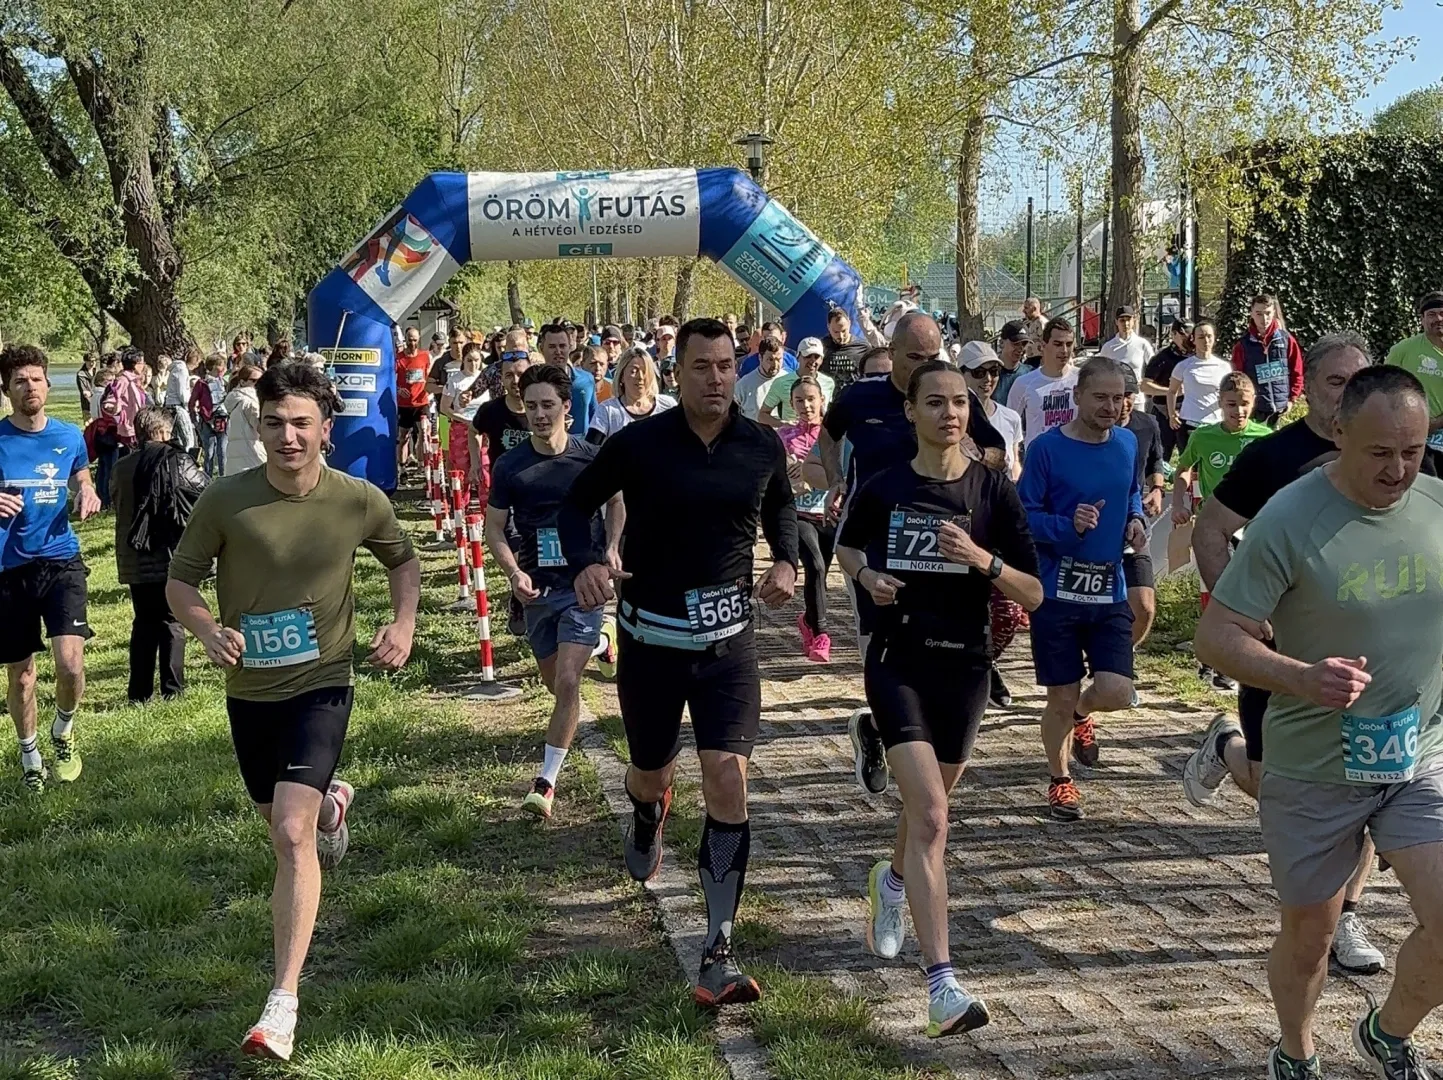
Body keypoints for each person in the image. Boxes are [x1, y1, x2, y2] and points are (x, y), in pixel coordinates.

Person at [1194, 365, 1443, 1080]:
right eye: (1380, 452)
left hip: (1417, 754)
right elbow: (1216, 637)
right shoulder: (1289, 517)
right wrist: (1301, 677)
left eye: (1412, 451)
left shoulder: (1436, 502)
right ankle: (1296, 1050)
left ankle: (1387, 1032)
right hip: (1312, 765)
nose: (1398, 470)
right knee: (1311, 937)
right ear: (1338, 432)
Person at [166, 362, 420, 1061]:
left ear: (325, 429)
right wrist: (206, 629)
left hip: (323, 681)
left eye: (302, 423)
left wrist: (403, 623)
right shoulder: (226, 499)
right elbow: (180, 582)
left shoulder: (357, 499)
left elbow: (402, 560)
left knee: (287, 831)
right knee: (276, 816)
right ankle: (332, 803)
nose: (288, 436)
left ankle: (282, 1002)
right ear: (260, 426)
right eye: (275, 423)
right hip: (250, 691)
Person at [557, 316, 798, 1008]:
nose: (716, 379)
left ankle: (718, 948)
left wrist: (786, 561)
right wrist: (588, 562)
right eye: (701, 367)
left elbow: (781, 508)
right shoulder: (638, 444)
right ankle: (647, 810)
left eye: (725, 366)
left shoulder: (760, 444)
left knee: (726, 779)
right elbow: (575, 506)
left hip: (728, 645)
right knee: (650, 772)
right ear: (678, 372)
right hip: (652, 644)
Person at [836, 360, 1042, 1038]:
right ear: (911, 411)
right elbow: (848, 548)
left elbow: (1034, 592)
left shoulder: (992, 490)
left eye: (959, 403)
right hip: (897, 661)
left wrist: (982, 560)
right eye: (935, 402)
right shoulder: (887, 485)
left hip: (966, 668)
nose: (949, 413)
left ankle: (892, 882)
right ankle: (942, 988)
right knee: (930, 814)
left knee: (928, 810)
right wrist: (868, 578)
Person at [1181, 332, 1389, 978]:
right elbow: (1210, 530)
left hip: (1369, 659)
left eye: (1358, 383)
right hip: (1282, 656)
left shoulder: (1394, 461)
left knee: (1372, 782)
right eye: (1334, 383)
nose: (1347, 396)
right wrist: (1239, 613)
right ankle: (1227, 749)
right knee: (1276, 784)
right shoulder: (1273, 457)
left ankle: (1346, 914)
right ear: (1308, 390)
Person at [819, 313, 1006, 795]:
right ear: (892, 353)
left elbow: (996, 450)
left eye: (933, 355)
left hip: (939, 543)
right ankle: (891, 731)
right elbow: (828, 432)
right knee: (880, 649)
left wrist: (973, 455)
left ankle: (882, 728)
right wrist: (835, 475)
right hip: (872, 543)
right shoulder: (861, 396)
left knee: (929, 652)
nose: (925, 365)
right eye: (914, 357)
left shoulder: (953, 396)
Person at [485, 364, 621, 820]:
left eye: (548, 405)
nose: (540, 415)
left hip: (584, 584)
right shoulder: (511, 466)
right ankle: (604, 642)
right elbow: (495, 528)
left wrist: (611, 549)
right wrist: (512, 573)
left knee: (567, 682)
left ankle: (545, 783)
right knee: (554, 685)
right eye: (532, 407)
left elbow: (616, 501)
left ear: (567, 408)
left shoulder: (590, 457)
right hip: (538, 588)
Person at [1017, 357, 1146, 821]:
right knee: (1060, 695)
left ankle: (1081, 714)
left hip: (1108, 587)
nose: (1111, 406)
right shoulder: (1046, 449)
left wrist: (1136, 518)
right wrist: (1066, 525)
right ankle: (1061, 780)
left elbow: (1130, 491)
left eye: (1118, 398)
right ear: (1077, 396)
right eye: (1100, 397)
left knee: (1116, 690)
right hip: (1057, 592)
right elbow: (1023, 516)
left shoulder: (1128, 442)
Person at [0, 344, 101, 793]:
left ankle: (63, 728)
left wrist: (87, 491)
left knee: (71, 665)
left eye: (36, 379)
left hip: (61, 559)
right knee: (22, 675)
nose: (30, 387)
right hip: (8, 567)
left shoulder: (68, 435)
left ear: (46, 382)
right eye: (20, 381)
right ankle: (30, 756)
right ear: (7, 389)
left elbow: (80, 475)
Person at [1169, 371, 1270, 689]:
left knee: (1249, 594)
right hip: (1213, 530)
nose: (1238, 411)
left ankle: (1239, 659)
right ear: (1220, 403)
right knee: (1217, 593)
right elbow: (1183, 470)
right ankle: (1213, 659)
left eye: (1244, 404)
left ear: (1253, 403)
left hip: (1253, 528)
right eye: (1231, 404)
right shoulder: (1204, 437)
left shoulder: (1265, 437)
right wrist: (1179, 503)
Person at [112, 405, 207, 702]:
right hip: (168, 552)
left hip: (133, 555)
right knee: (171, 620)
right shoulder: (176, 460)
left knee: (143, 622)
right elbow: (205, 490)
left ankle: (139, 693)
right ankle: (172, 689)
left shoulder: (121, 466)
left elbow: (116, 500)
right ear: (165, 431)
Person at [780, 376, 833, 662]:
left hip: (830, 513)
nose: (806, 405)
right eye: (799, 400)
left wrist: (814, 474)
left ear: (822, 400)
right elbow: (772, 478)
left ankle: (808, 621)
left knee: (820, 577)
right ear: (791, 403)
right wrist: (787, 474)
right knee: (815, 566)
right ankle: (822, 635)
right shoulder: (783, 436)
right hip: (798, 514)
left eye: (811, 399)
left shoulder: (834, 435)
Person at [1119, 368, 1166, 650]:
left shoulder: (1147, 424)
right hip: (1095, 527)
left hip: (1134, 522)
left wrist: (1157, 489)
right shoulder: (1090, 428)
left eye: (1129, 394)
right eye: (1118, 395)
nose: (1123, 402)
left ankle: (1122, 656)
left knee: (1145, 607)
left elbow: (1155, 460)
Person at [1385, 289, 1443, 473]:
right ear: (1422, 320)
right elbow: (1383, 388)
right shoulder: (1403, 350)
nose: (1438, 319)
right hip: (1415, 441)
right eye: (1431, 314)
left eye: (1442, 313)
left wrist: (1438, 422)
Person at [1230, 293, 1303, 427]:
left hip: (1281, 411)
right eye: (1259, 314)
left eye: (1268, 313)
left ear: (1274, 312)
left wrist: (1292, 399)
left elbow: (1297, 371)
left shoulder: (1287, 340)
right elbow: (1238, 379)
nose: (1264, 319)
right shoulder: (1242, 345)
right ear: (1251, 313)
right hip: (1255, 411)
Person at [1006, 317, 1078, 448]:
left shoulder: (1082, 379)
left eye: (1069, 344)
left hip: (1072, 454)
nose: (1064, 350)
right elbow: (1009, 425)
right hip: (1039, 457)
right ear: (1043, 345)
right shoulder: (1024, 383)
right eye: (1057, 344)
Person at [958, 343, 1022, 480]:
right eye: (979, 372)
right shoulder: (953, 420)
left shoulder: (1012, 417)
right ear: (961, 374)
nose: (988, 379)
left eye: (994, 371)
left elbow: (1014, 461)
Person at [1167, 319, 1232, 452]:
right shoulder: (1184, 366)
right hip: (1189, 424)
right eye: (1201, 337)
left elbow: (1229, 394)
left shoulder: (1224, 366)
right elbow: (1172, 391)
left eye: (1209, 336)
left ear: (1214, 338)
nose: (1206, 341)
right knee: (1190, 463)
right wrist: (1172, 415)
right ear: (1194, 339)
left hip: (1215, 424)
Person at [588, 346, 676, 444]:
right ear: (622, 376)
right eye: (634, 371)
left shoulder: (668, 405)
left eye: (645, 371)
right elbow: (591, 448)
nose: (640, 377)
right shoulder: (607, 410)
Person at [1141, 319, 1193, 460]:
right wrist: (1171, 391)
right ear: (1174, 334)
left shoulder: (1196, 358)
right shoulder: (1162, 358)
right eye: (1184, 335)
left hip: (1188, 413)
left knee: (1190, 457)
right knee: (1160, 456)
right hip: (1163, 413)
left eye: (1191, 335)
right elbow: (1145, 386)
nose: (1188, 339)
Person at [758, 337, 835, 427]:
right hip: (791, 435)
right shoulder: (781, 382)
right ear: (798, 357)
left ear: (821, 359)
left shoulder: (828, 382)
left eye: (816, 357)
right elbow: (762, 415)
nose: (812, 360)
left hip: (819, 434)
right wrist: (784, 424)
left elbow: (826, 413)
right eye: (808, 356)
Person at [537, 322, 597, 435]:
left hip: (580, 444)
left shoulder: (586, 380)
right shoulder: (533, 382)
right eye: (552, 347)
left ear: (570, 347)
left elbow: (595, 417)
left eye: (562, 346)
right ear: (541, 349)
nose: (558, 351)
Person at [439, 343, 486, 484]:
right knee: (462, 470)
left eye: (476, 360)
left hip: (483, 429)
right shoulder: (455, 380)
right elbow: (444, 408)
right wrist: (464, 420)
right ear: (463, 360)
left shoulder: (485, 379)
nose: (473, 364)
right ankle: (461, 498)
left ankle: (484, 497)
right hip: (461, 428)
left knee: (485, 470)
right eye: (469, 360)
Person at [1098, 305, 1152, 409]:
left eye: (1128, 320)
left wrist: (1146, 381)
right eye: (1122, 320)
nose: (1126, 324)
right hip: (1115, 399)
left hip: (1137, 399)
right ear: (1116, 322)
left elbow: (1153, 366)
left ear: (1134, 321)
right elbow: (1101, 372)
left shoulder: (1142, 344)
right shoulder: (1108, 347)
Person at [394, 326, 432, 471]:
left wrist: (429, 389)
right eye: (410, 340)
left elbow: (429, 375)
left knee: (424, 432)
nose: (413, 343)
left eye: (415, 340)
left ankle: (422, 464)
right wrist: (398, 389)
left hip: (421, 402)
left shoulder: (424, 356)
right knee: (403, 436)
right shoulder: (399, 358)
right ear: (405, 340)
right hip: (404, 404)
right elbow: (390, 379)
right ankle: (402, 467)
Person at [190, 354, 230, 477]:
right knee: (209, 452)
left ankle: (224, 478)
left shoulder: (224, 383)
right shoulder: (202, 383)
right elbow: (192, 402)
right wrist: (195, 420)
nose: (223, 369)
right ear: (212, 367)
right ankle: (207, 478)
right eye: (220, 366)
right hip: (206, 420)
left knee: (223, 451)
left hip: (222, 419)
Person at [224, 364, 265, 475]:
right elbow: (262, 429)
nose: (259, 384)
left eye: (262, 380)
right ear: (242, 382)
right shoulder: (250, 403)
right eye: (254, 380)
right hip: (253, 457)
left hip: (235, 459)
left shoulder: (236, 400)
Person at [734, 338, 787, 421]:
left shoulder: (789, 380)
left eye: (779, 359)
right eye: (770, 359)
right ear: (760, 358)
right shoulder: (743, 385)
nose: (775, 365)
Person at [107, 350, 150, 449]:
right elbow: (109, 402)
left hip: (139, 425)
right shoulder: (123, 380)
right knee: (130, 454)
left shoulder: (136, 380)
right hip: (128, 427)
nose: (144, 366)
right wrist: (118, 409)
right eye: (142, 363)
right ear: (134, 364)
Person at [993, 321, 1034, 407]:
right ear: (1001, 343)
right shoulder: (989, 373)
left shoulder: (1030, 373)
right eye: (1016, 343)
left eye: (1024, 344)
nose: (1020, 348)